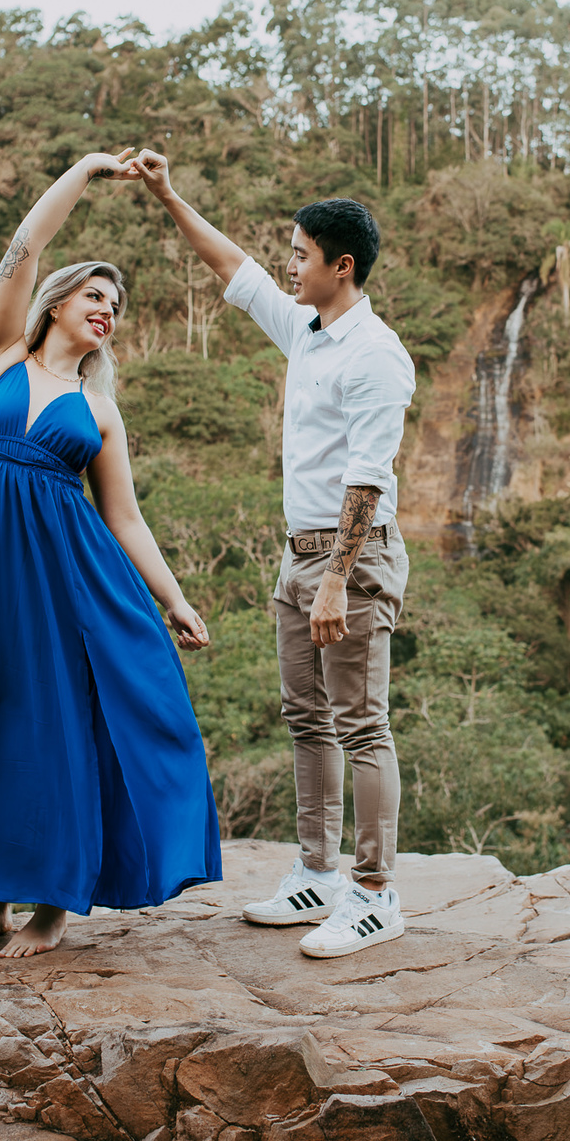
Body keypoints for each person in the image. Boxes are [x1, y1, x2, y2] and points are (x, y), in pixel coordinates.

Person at [0, 149, 222, 957]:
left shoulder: (99, 411)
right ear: (57, 301)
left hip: (68, 582)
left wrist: (173, 600)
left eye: (118, 303)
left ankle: (54, 908)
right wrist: (87, 169)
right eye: (94, 295)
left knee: (59, 726)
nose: (108, 308)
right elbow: (22, 247)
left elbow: (126, 519)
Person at [134, 152, 414, 958]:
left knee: (362, 724)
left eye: (301, 254)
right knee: (304, 718)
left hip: (350, 561)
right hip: (299, 557)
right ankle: (318, 874)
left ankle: (375, 892)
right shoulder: (309, 326)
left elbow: (368, 479)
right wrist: (168, 192)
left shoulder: (376, 355)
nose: (289, 265)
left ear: (342, 266)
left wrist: (335, 581)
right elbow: (234, 267)